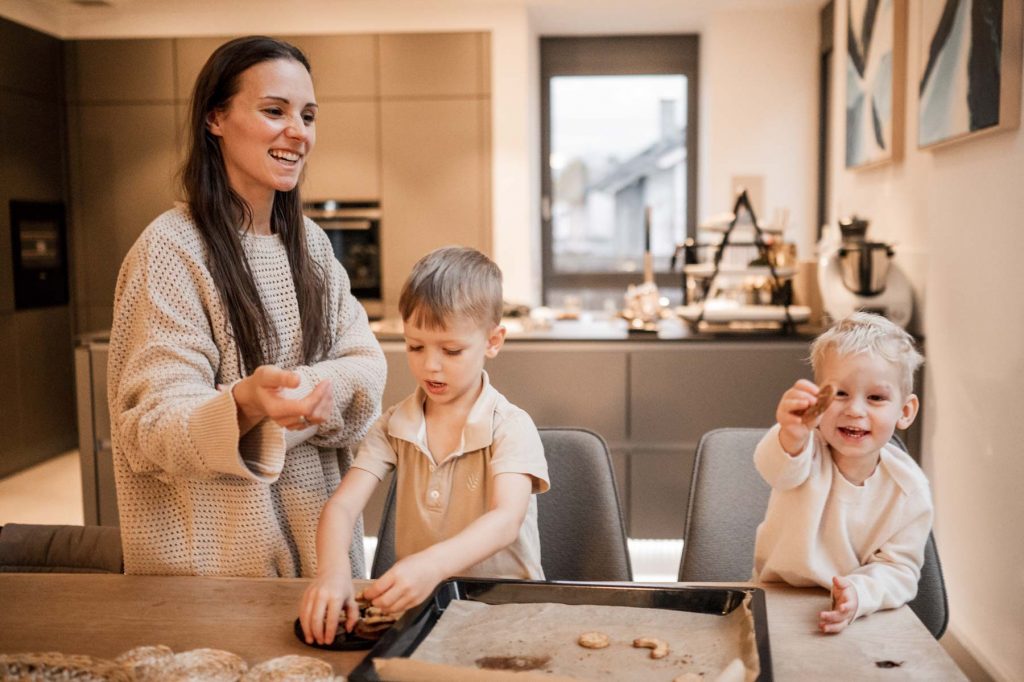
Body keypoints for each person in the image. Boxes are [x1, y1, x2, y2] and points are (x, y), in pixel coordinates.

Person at [107, 36, 386, 578]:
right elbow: (151, 426)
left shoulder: (312, 245)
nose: (298, 132)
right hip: (217, 576)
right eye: (273, 111)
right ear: (216, 118)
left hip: (326, 563)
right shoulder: (171, 249)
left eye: (307, 115)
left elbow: (368, 368)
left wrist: (268, 403)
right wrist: (244, 406)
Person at [298, 246, 550, 645]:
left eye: (451, 351)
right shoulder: (393, 426)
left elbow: (506, 520)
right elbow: (342, 506)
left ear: (493, 341)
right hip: (427, 616)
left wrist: (432, 565)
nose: (430, 365)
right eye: (416, 346)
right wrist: (332, 572)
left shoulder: (511, 427)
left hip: (509, 616)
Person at [752, 311, 932, 634]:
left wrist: (860, 593)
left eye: (876, 397)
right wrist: (791, 432)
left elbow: (900, 569)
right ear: (819, 398)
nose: (855, 410)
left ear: (905, 412)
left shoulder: (909, 489)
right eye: (840, 394)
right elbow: (776, 469)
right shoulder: (804, 450)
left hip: (856, 614)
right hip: (777, 600)